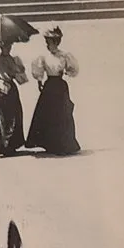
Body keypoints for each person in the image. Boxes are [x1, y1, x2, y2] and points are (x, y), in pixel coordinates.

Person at [27, 27, 80, 155]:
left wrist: (66, 72)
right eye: (46, 42)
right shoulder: (44, 56)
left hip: (60, 86)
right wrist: (39, 81)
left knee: (62, 113)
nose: (47, 45)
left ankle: (63, 143)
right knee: (48, 113)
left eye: (49, 42)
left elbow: (73, 70)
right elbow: (39, 70)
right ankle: (49, 142)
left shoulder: (64, 55)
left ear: (56, 42)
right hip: (49, 86)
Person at [0, 44, 27, 157]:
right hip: (2, 91)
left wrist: (18, 70)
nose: (7, 49)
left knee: (14, 116)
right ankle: (3, 146)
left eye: (9, 46)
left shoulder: (14, 60)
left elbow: (21, 78)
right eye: (5, 47)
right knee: (3, 118)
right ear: (0, 47)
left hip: (12, 89)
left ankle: (12, 145)